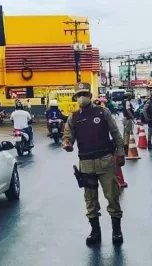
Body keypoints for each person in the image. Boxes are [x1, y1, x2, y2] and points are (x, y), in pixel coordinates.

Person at [62, 82, 125, 246]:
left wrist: (121, 153)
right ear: (76, 98)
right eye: (79, 95)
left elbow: (116, 133)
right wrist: (67, 143)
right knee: (90, 201)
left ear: (90, 96)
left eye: (84, 94)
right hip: (86, 165)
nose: (82, 97)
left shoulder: (103, 112)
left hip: (106, 162)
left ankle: (116, 231)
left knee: (112, 197)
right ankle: (95, 231)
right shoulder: (73, 118)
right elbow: (67, 136)